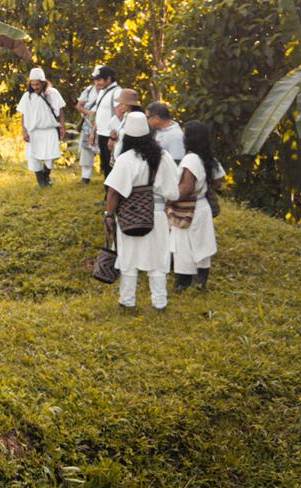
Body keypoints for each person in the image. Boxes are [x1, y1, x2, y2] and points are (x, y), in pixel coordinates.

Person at [104, 111, 180, 312]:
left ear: (126, 136)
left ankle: (127, 301)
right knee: (158, 260)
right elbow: (173, 191)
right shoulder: (164, 157)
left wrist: (108, 215)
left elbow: (113, 192)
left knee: (128, 259)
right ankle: (160, 303)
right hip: (157, 214)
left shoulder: (126, 159)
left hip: (130, 214)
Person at [172, 120, 223, 292]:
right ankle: (200, 282)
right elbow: (218, 182)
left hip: (188, 206)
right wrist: (204, 186)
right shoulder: (207, 157)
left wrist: (170, 197)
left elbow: (186, 187)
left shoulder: (191, 158)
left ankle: (183, 283)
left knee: (184, 244)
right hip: (202, 206)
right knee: (202, 243)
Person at [16, 67, 66, 187]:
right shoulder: (27, 96)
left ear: (43, 82)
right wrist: (24, 130)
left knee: (50, 157)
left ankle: (46, 175)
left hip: (49, 130)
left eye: (37, 84)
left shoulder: (52, 93)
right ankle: (41, 182)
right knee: (33, 157)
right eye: (32, 84)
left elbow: (60, 110)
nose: (35, 87)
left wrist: (62, 127)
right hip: (33, 131)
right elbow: (23, 114)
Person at [75, 68, 105, 183]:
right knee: (86, 150)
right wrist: (90, 113)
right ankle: (85, 177)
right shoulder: (88, 90)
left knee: (105, 151)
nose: (98, 82)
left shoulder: (111, 92)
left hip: (104, 126)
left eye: (100, 80)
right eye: (96, 80)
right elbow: (79, 106)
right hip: (88, 124)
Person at [92, 66, 122, 184]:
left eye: (99, 80)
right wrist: (93, 132)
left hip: (110, 135)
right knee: (105, 165)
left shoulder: (117, 92)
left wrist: (112, 137)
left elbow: (119, 115)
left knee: (111, 167)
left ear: (108, 79)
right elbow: (98, 113)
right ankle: (107, 195)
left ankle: (112, 197)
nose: (97, 82)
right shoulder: (102, 91)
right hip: (101, 133)